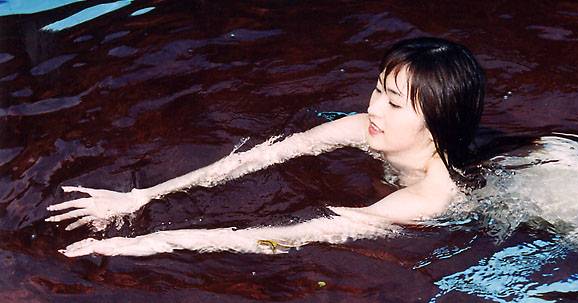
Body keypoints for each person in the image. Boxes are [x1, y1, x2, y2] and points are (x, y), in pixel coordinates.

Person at [47, 37, 486, 257]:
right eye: (377, 90)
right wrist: (141, 196)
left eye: (393, 103)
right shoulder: (365, 127)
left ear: (438, 121)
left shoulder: (426, 199)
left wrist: (156, 242)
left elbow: (292, 236)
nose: (373, 108)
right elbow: (263, 155)